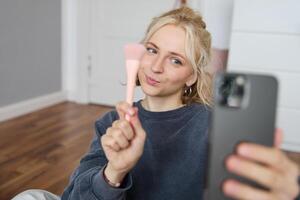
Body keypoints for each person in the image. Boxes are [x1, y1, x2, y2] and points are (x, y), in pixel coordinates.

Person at [12, 6, 299, 200]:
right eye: (151, 50)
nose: (156, 66)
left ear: (191, 77)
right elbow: (75, 197)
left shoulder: (213, 125)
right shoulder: (113, 124)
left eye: (176, 59)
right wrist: (114, 172)